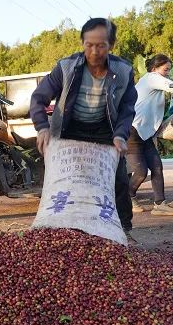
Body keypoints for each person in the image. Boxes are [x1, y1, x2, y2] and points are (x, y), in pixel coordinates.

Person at [30, 17, 137, 239]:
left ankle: (124, 229)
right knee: (62, 179)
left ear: (111, 45)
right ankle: (61, 228)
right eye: (89, 45)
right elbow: (39, 97)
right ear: (82, 43)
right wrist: (42, 127)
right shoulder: (66, 67)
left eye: (101, 45)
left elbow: (127, 108)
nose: (95, 51)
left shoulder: (123, 71)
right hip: (69, 128)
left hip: (104, 130)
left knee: (118, 180)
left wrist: (120, 135)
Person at [128, 54, 173, 216]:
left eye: (169, 69)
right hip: (133, 131)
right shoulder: (151, 78)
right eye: (166, 69)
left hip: (145, 133)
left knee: (156, 166)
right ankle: (128, 197)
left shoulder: (155, 82)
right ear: (154, 68)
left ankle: (160, 204)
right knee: (141, 171)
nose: (168, 73)